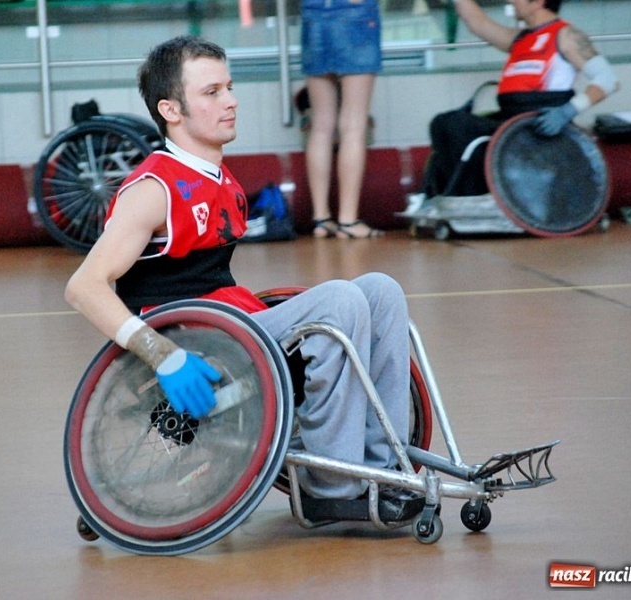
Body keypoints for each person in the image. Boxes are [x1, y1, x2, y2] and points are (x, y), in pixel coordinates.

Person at [65, 35, 423, 521]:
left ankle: (385, 469)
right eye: (212, 92)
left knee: (380, 289)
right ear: (171, 109)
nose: (231, 101)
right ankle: (330, 487)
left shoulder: (219, 178)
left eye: (228, 88)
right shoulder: (152, 189)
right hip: (196, 341)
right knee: (339, 299)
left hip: (232, 322)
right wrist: (164, 357)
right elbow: (83, 287)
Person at [419, 0, 620, 198]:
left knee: (457, 126)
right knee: (443, 124)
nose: (510, 1)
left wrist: (568, 111)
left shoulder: (567, 35)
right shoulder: (519, 38)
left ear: (538, 2)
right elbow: (477, 22)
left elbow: (609, 79)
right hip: (510, 121)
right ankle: (455, 196)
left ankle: (475, 197)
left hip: (538, 124)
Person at [301, 0, 384, 239]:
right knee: (353, 126)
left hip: (313, 13)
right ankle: (348, 221)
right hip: (357, 12)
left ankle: (321, 218)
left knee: (320, 126)